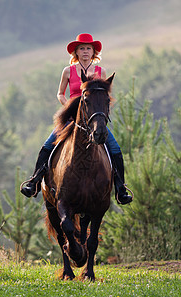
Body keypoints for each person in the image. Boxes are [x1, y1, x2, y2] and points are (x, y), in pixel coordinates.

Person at [20, 33, 132, 205]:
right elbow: (60, 93)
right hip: (72, 116)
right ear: (76, 52)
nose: (85, 51)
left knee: (115, 148)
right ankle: (34, 182)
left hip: (93, 118)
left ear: (93, 52)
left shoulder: (100, 72)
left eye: (88, 48)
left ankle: (120, 188)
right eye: (82, 48)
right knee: (48, 144)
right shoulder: (68, 71)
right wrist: (68, 106)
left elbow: (103, 96)